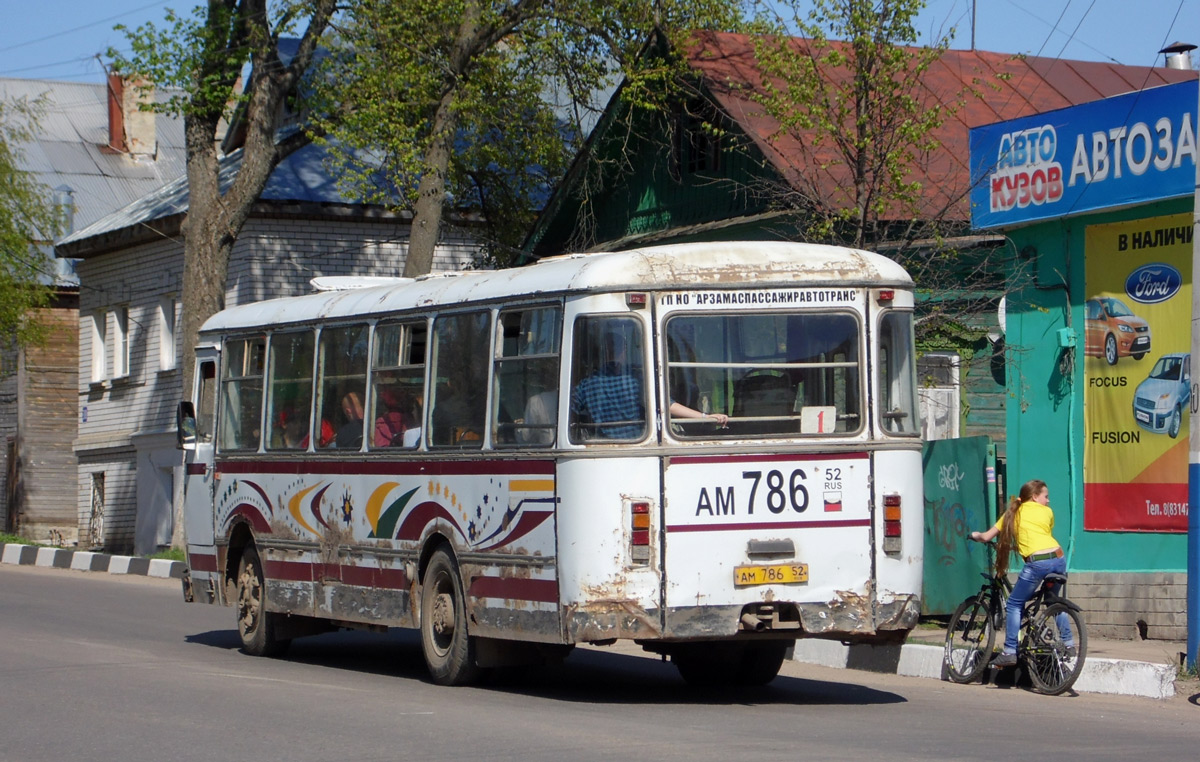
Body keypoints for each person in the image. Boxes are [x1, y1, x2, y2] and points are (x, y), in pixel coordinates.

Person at [968, 478, 1071, 667]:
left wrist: (974, 535)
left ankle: (1009, 651)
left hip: (1038, 563)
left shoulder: (1012, 514)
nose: (1048, 501)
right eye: (1046, 496)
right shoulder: (1048, 512)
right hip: (1058, 558)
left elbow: (986, 536)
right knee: (1052, 601)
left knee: (1014, 604)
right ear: (1034, 497)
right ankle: (1069, 643)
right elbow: (1041, 535)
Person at [570, 332, 644, 439]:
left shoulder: (586, 384)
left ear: (602, 353)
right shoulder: (635, 380)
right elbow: (664, 404)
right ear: (623, 352)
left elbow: (570, 411)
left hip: (601, 445)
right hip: (637, 443)